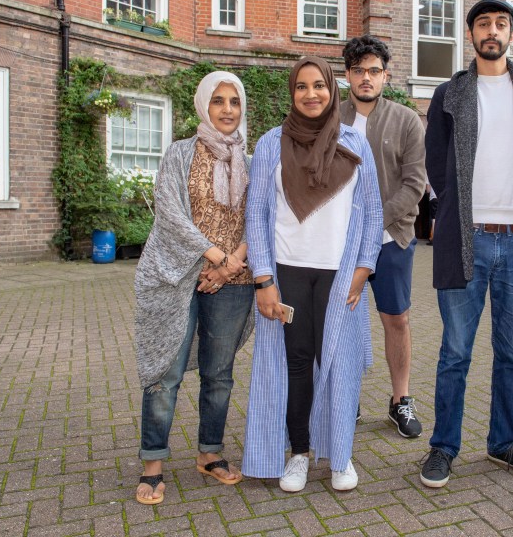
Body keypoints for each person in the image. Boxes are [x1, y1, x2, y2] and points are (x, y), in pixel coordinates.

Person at [419, 0, 513, 488]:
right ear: (471, 35)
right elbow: (435, 163)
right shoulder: (448, 95)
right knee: (455, 351)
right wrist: (455, 213)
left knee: (512, 354)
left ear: (512, 35)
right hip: (468, 239)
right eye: (483, 24)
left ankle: (503, 443)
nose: (492, 31)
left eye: (501, 23)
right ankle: (443, 447)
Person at [241, 56, 383, 493]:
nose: (310, 94)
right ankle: (299, 453)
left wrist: (363, 268)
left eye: (318, 85)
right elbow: (257, 215)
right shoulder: (269, 144)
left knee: (338, 363)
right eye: (301, 87)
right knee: (297, 363)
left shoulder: (355, 143)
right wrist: (264, 279)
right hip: (288, 272)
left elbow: (374, 213)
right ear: (292, 92)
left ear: (331, 90)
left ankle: (340, 455)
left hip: (340, 276)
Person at [132, 72, 256, 505]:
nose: (227, 109)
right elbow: (169, 211)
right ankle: (152, 464)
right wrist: (215, 256)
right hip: (179, 277)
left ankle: (209, 453)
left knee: (218, 375)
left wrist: (230, 265)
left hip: (235, 281)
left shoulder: (252, 160)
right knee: (165, 371)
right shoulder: (180, 153)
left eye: (234, 101)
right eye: (218, 101)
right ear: (204, 105)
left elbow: (259, 218)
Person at [341, 35, 427, 439]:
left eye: (374, 71)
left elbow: (414, 184)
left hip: (390, 237)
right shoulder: (330, 118)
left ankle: (400, 400)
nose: (366, 78)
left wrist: (375, 222)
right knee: (339, 318)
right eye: (358, 70)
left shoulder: (407, 120)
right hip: (339, 240)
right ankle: (344, 398)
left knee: (397, 318)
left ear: (385, 76)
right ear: (347, 75)